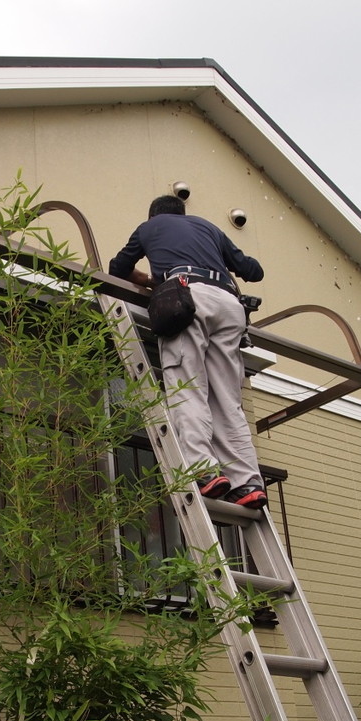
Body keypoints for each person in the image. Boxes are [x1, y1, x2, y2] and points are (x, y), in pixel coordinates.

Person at [108, 195, 267, 508]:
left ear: (154, 215)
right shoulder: (209, 228)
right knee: (227, 400)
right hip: (229, 306)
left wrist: (154, 280)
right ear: (183, 213)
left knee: (187, 387)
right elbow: (253, 270)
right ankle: (247, 482)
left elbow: (118, 268)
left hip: (188, 299)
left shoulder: (149, 227)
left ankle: (204, 470)